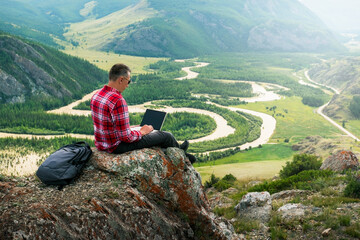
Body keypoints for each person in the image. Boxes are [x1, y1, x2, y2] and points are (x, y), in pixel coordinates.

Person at [90, 63, 196, 163]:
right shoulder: (118, 100)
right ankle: (183, 156)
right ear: (121, 79)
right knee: (166, 136)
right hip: (116, 147)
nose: (127, 85)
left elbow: (107, 126)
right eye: (128, 81)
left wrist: (130, 128)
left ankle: (177, 152)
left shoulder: (97, 95)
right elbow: (126, 137)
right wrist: (142, 132)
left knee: (153, 135)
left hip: (102, 144)